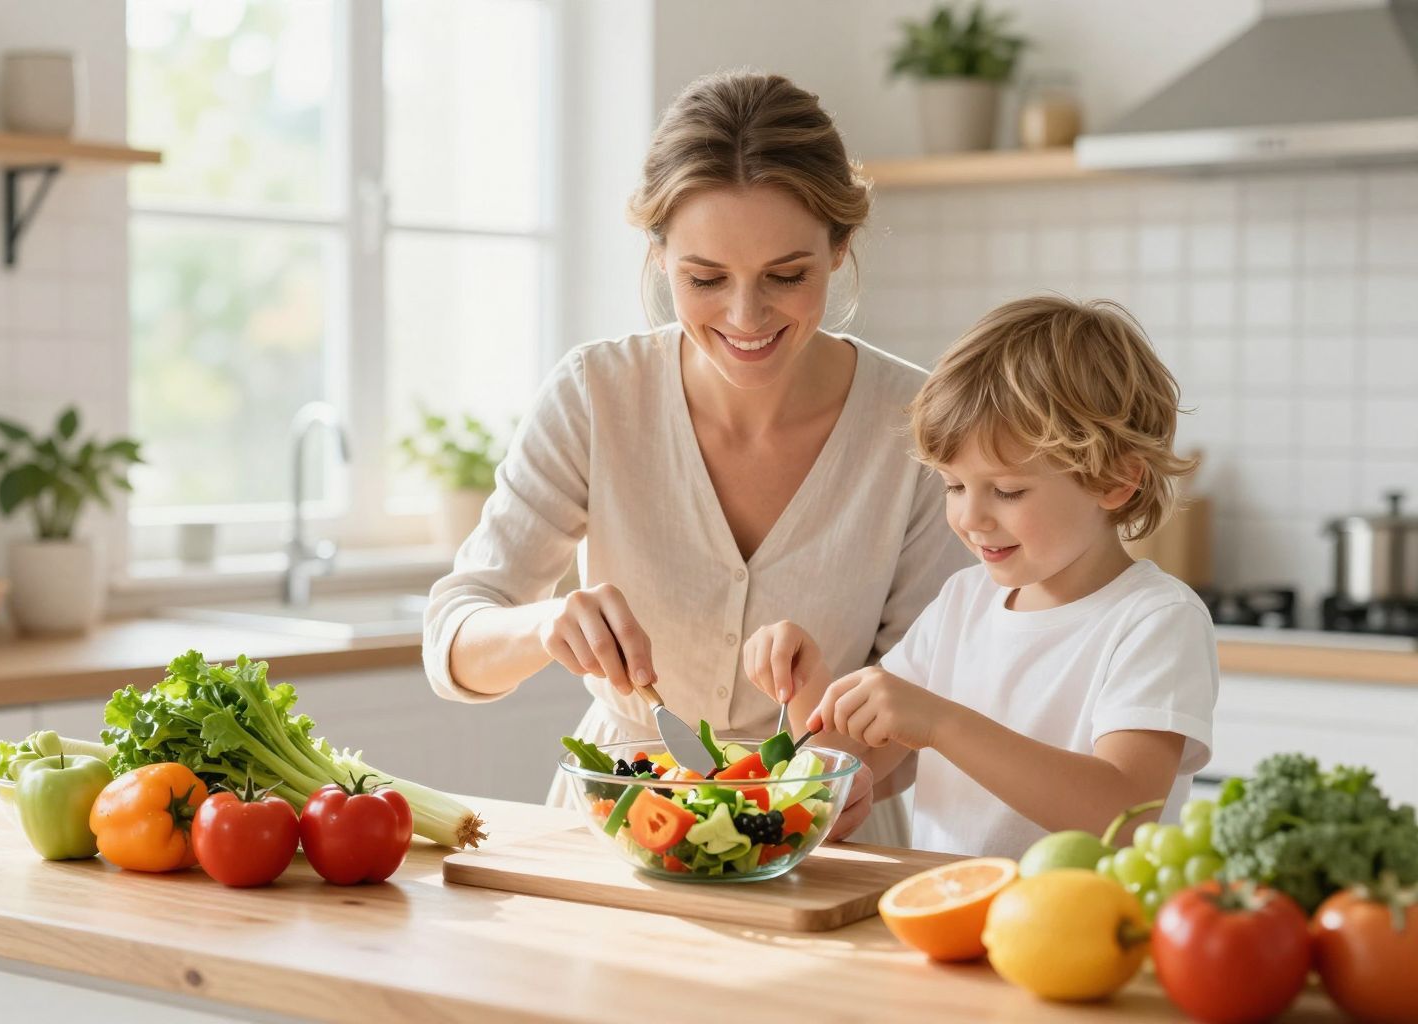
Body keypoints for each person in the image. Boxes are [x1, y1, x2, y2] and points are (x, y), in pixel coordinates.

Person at [422, 70, 968, 844]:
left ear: (840, 247)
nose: (746, 317)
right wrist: (546, 626)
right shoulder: (595, 394)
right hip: (622, 825)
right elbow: (451, 642)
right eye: (705, 278)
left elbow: (926, 681)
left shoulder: (918, 425)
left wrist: (845, 772)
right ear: (658, 254)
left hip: (820, 831)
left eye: (786, 276)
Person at [745, 295, 1218, 857]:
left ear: (1115, 481)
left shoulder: (1156, 620)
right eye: (953, 486)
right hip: (946, 905)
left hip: (1089, 914)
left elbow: (1125, 812)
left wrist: (942, 724)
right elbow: (857, 766)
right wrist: (810, 683)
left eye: (1008, 491)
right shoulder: (962, 602)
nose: (970, 518)